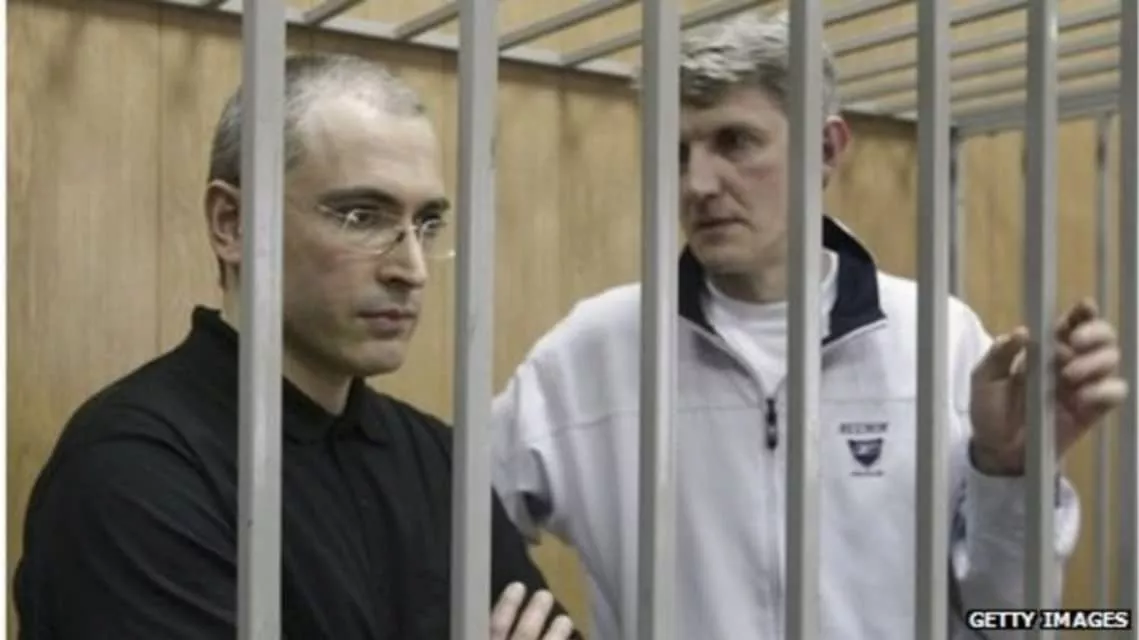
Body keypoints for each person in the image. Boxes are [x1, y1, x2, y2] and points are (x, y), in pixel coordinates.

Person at [489, 9, 1128, 640]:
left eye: (735, 142)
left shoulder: (939, 341)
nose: (698, 183)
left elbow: (1013, 622)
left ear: (825, 149)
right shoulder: (592, 354)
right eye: (677, 153)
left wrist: (1010, 472)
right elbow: (454, 528)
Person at [14, 52, 578, 640]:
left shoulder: (436, 461)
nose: (412, 268)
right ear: (233, 223)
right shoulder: (133, 468)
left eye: (427, 224)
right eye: (362, 216)